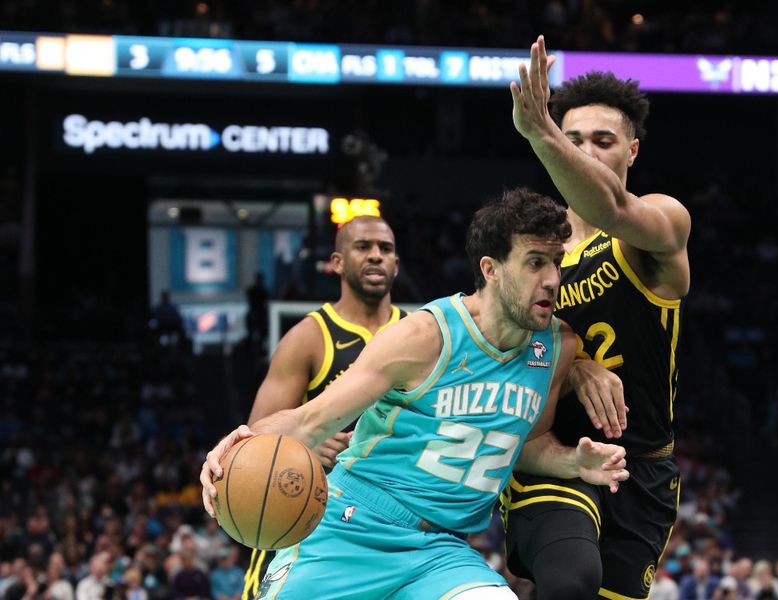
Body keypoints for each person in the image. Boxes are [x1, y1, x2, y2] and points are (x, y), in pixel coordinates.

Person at [200, 189, 630, 600]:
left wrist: (571, 461)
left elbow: (527, 443)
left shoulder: (556, 348)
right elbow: (308, 421)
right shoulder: (423, 336)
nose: (553, 279)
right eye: (535, 262)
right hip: (352, 529)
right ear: (491, 268)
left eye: (556, 262)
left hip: (440, 553)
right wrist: (240, 444)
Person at [503, 36, 691, 599]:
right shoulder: (534, 248)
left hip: (640, 467)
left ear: (631, 151)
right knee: (569, 580)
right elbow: (496, 340)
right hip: (551, 452)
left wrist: (543, 133)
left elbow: (609, 206)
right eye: (573, 138)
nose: (585, 151)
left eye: (602, 142)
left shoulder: (660, 222)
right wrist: (573, 359)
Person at [240, 215, 406, 600]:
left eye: (386, 249)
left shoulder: (418, 333)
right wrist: (303, 451)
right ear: (337, 262)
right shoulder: (308, 338)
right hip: (308, 521)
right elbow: (252, 442)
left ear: (397, 264)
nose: (376, 256)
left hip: (385, 523)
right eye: (363, 247)